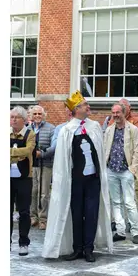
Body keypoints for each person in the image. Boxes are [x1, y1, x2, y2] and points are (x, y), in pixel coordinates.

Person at [42, 91, 113, 263]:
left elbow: (100, 152)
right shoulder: (67, 130)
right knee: (76, 214)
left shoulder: (94, 126)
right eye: (84, 105)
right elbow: (63, 159)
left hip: (92, 180)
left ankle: (89, 248)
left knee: (91, 214)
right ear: (75, 110)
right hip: (75, 181)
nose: (88, 107)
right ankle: (77, 248)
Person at [103, 103, 138, 244]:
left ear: (124, 113)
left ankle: (135, 231)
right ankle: (120, 230)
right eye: (113, 112)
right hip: (112, 169)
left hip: (126, 170)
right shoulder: (109, 130)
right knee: (115, 202)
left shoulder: (132, 130)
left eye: (118, 112)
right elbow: (105, 148)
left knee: (129, 202)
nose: (115, 115)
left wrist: (133, 169)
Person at [11, 106, 36, 256]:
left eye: (16, 117)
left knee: (24, 211)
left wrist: (10, 152)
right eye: (11, 117)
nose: (13, 120)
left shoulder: (29, 133)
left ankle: (23, 242)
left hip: (24, 177)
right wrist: (16, 155)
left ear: (23, 119)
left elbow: (28, 151)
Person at [29, 105, 55, 230]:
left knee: (44, 193)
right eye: (35, 114)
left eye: (40, 114)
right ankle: (33, 217)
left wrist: (42, 154)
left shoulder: (51, 128)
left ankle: (43, 218)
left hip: (46, 164)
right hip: (31, 165)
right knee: (33, 191)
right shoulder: (28, 128)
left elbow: (54, 147)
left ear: (43, 115)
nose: (37, 116)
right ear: (31, 116)